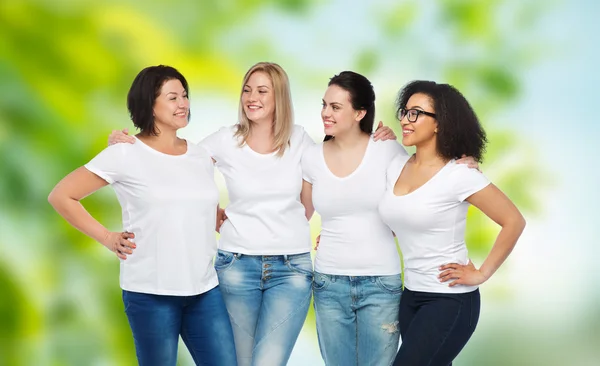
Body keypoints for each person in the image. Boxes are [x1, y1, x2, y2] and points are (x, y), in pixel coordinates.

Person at [107, 62, 397, 366]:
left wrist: (379, 138)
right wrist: (129, 147)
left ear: (279, 98)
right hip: (235, 266)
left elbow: (322, 188)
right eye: (247, 90)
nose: (251, 97)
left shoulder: (299, 140)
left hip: (291, 269)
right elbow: (175, 163)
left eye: (262, 91)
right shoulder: (225, 139)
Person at [48, 65, 237, 366]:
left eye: (185, 96)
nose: (183, 104)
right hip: (151, 293)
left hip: (204, 288)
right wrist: (108, 238)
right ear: (149, 104)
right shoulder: (125, 153)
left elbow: (193, 204)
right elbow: (62, 195)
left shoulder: (200, 155)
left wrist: (216, 217)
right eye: (173, 97)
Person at [303, 72, 479, 366]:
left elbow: (413, 199)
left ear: (360, 113)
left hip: (381, 283)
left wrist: (463, 160)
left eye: (335, 107)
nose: (325, 112)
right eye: (324, 105)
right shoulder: (310, 156)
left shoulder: (388, 151)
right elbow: (301, 214)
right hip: (328, 282)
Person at [377, 80, 526, 366]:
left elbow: (513, 221)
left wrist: (482, 273)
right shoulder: (396, 166)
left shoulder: (459, 174)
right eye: (404, 111)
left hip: (450, 301)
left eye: (416, 113)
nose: (405, 120)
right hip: (411, 297)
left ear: (439, 123)